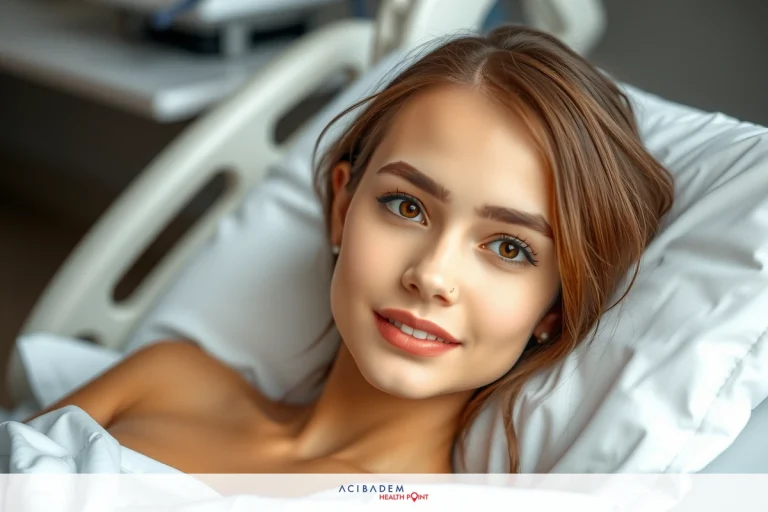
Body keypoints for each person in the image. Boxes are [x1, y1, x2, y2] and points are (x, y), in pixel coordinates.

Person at [26, 25, 674, 474]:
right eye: (407, 206)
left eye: (509, 247)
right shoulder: (163, 380)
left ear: (555, 307)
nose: (432, 275)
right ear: (342, 207)